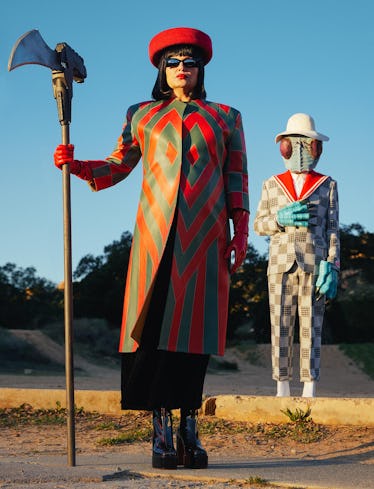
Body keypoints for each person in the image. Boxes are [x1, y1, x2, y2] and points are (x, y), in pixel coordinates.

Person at [54, 27, 249, 469]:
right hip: (154, 237)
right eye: (174, 63)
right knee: (153, 330)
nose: (183, 70)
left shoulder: (226, 117)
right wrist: (79, 165)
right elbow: (119, 163)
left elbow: (236, 176)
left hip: (205, 237)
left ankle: (188, 427)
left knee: (195, 334)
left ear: (201, 70)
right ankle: (160, 428)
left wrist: (240, 232)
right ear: (163, 70)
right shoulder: (142, 115)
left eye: (191, 63)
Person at [253, 113, 339, 398]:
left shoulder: (327, 185)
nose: (302, 150)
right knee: (279, 325)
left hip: (315, 264)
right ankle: (281, 386)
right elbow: (258, 224)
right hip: (280, 263)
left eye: (309, 144)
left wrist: (333, 265)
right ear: (286, 146)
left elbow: (333, 229)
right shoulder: (271, 184)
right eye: (297, 144)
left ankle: (310, 386)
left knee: (312, 327)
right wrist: (279, 219)